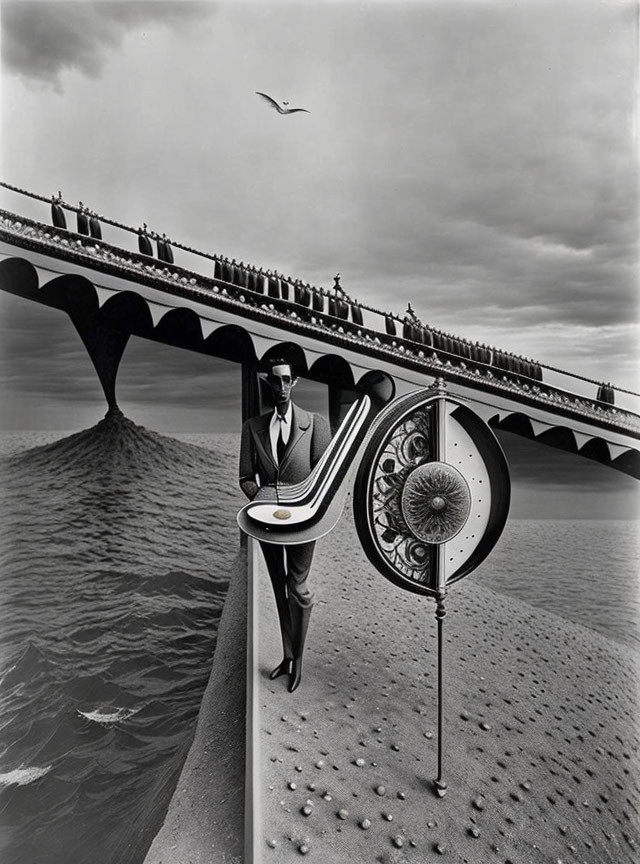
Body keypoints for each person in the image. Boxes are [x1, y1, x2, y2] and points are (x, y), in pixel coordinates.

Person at [239, 359, 331, 692]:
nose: (281, 388)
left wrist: (307, 506)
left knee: (299, 588)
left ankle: (300, 663)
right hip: (267, 520)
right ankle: (287, 657)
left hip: (303, 519)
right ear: (269, 384)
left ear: (294, 383)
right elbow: (246, 478)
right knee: (278, 586)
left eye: (287, 381)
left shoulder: (315, 425)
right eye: (275, 382)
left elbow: (325, 478)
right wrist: (262, 499)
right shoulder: (253, 427)